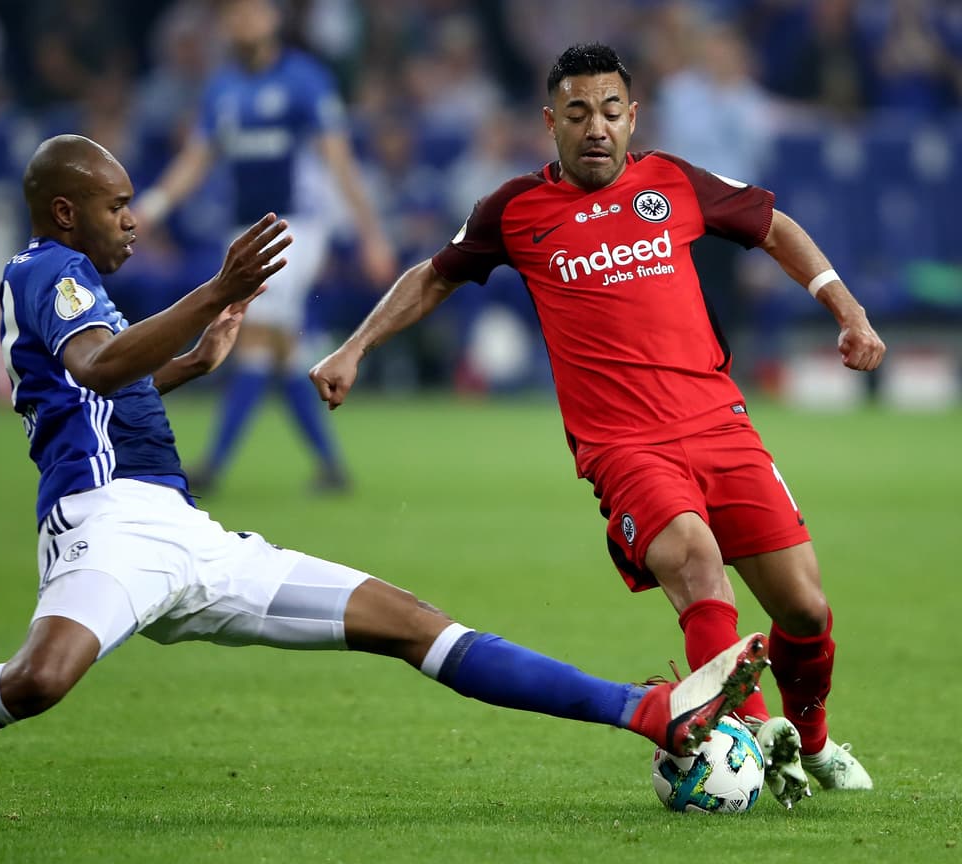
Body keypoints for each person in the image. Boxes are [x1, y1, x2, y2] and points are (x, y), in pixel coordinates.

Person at [0, 134, 769, 812]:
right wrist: (208, 300)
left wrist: (189, 362)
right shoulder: (43, 270)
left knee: (409, 620)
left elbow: (112, 380)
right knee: (37, 680)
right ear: (65, 210)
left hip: (187, 534)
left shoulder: (82, 281)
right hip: (105, 530)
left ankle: (641, 708)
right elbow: (96, 365)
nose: (132, 217)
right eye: (119, 205)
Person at [309, 43, 885, 810]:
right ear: (550, 122)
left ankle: (810, 743)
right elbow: (432, 275)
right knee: (695, 562)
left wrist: (846, 310)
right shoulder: (514, 211)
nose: (596, 128)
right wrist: (355, 347)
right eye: (578, 113)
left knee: (806, 610)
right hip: (624, 448)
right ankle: (751, 737)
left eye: (611, 111)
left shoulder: (674, 183)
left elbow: (775, 226)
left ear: (632, 116)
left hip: (720, 426)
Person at [133, 0, 397, 494]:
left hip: (297, 226)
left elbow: (339, 161)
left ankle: (211, 466)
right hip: (243, 231)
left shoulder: (305, 79)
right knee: (282, 351)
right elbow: (197, 158)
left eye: (252, 12)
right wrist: (151, 207)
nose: (243, 21)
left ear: (273, 18)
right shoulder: (221, 88)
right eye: (234, 15)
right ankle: (331, 469)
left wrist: (370, 233)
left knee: (255, 341)